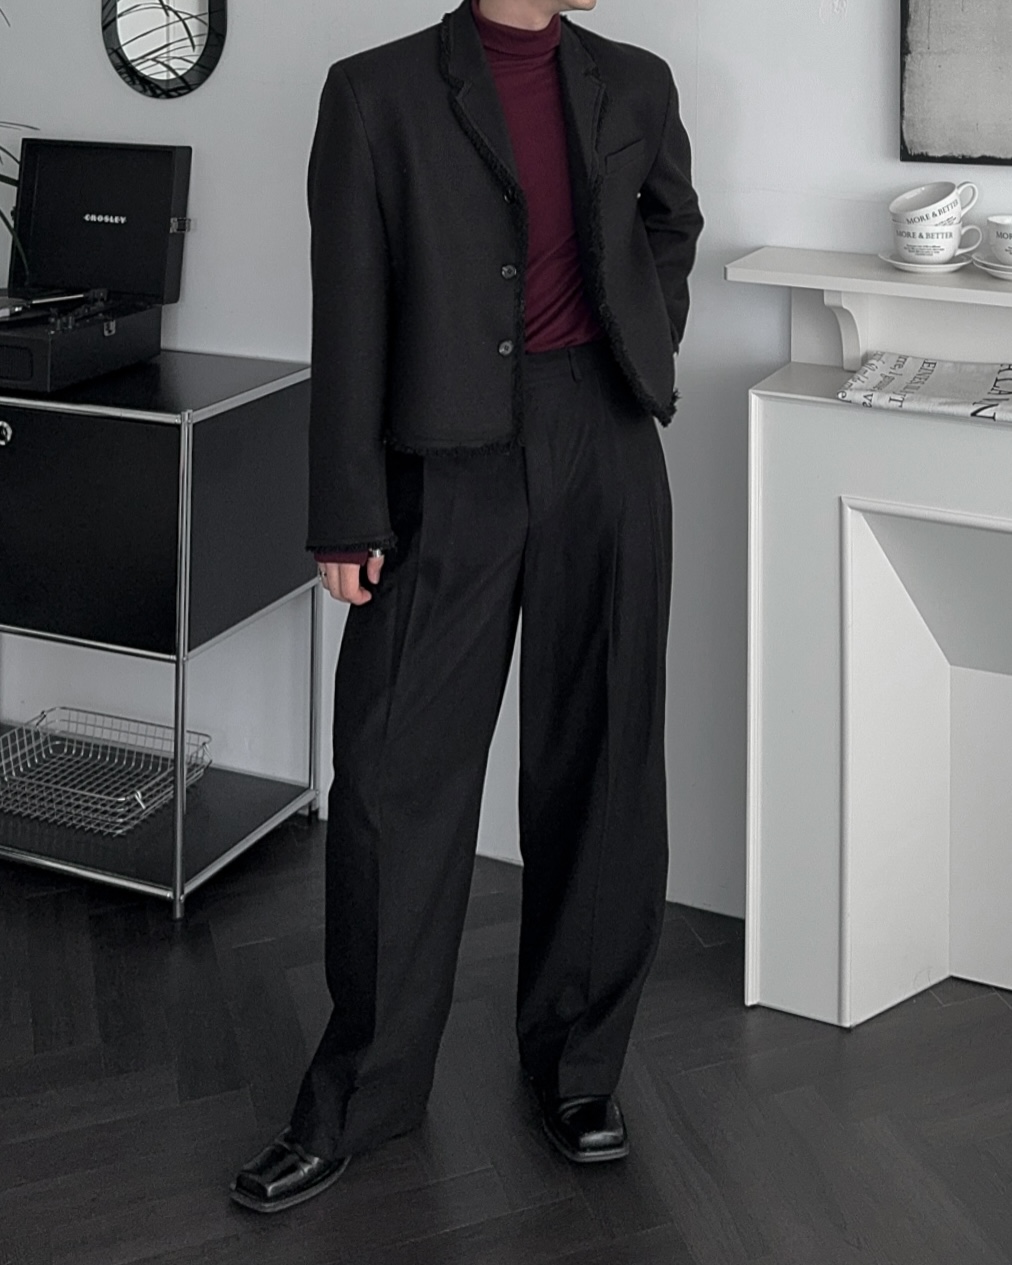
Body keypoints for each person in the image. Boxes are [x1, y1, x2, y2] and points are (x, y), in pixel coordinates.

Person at [230, 0, 703, 1214]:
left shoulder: (636, 81)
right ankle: (360, 1093)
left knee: (603, 759)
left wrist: (643, 342)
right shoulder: (374, 92)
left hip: (604, 445)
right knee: (395, 773)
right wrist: (346, 512)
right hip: (442, 465)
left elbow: (670, 221)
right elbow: (348, 304)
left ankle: (577, 1069)